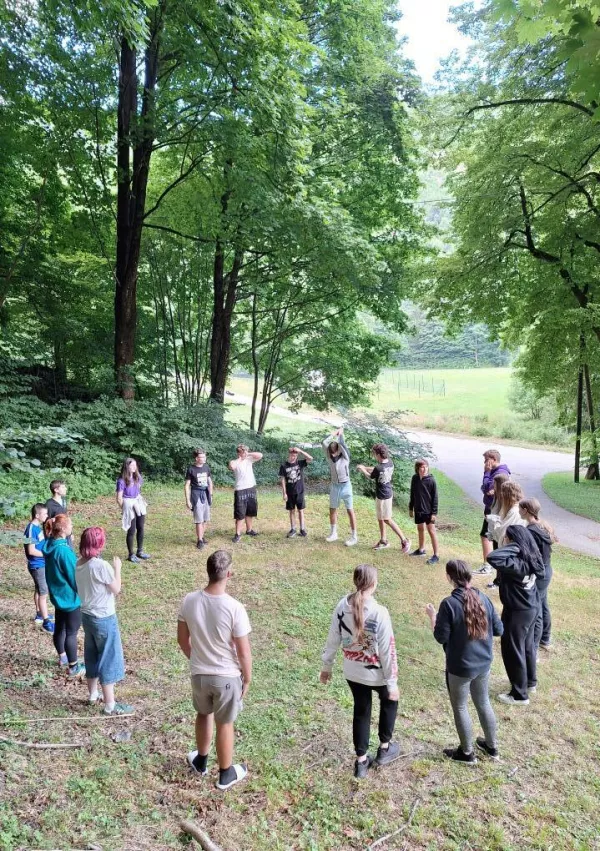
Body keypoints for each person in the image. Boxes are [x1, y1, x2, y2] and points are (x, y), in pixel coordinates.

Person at [177, 550, 252, 791]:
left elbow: (182, 640)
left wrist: (197, 658)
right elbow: (243, 652)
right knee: (225, 723)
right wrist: (247, 677)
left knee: (203, 714)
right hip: (227, 677)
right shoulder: (234, 608)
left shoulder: (189, 600)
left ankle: (201, 760)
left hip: (199, 674)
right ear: (228, 574)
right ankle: (226, 773)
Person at [320, 564, 400, 778]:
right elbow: (387, 650)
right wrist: (391, 683)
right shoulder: (380, 613)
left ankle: (361, 762)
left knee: (362, 711)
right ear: (374, 584)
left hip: (353, 673)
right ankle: (385, 748)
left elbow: (332, 638)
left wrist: (326, 666)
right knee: (389, 702)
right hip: (377, 673)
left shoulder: (341, 606)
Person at [425, 559, 503, 765]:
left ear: (449, 578)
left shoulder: (449, 604)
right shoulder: (483, 598)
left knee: (460, 707)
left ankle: (467, 753)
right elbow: (499, 629)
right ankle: (492, 746)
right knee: (483, 702)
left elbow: (441, 637)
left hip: (460, 667)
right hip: (483, 664)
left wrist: (433, 617)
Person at [76, 527, 133, 715]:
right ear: (98, 544)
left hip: (87, 616)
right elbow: (116, 589)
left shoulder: (79, 564)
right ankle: (110, 705)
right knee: (108, 657)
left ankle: (93, 695)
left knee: (91, 655)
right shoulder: (100, 566)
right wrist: (118, 569)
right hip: (104, 618)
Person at [486, 525, 544, 705]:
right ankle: (530, 682)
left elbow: (492, 556)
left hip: (518, 611)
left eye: (507, 538)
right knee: (526, 647)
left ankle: (519, 694)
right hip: (531, 607)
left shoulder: (517, 562)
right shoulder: (532, 558)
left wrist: (515, 545)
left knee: (513, 650)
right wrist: (519, 546)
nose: (504, 541)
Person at [44, 514, 85, 676]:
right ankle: (74, 666)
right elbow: (74, 576)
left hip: (58, 596)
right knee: (71, 632)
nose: (72, 526)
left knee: (60, 628)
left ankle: (62, 657)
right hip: (70, 599)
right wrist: (83, 592)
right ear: (63, 529)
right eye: (70, 524)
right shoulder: (63, 552)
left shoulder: (50, 544)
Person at [357, 444, 410, 553]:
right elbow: (377, 470)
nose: (374, 456)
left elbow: (370, 476)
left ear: (377, 454)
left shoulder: (379, 467)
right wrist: (365, 467)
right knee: (380, 518)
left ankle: (404, 540)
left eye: (374, 454)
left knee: (387, 519)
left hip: (382, 496)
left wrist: (363, 470)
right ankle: (383, 540)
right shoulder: (389, 463)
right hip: (387, 494)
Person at [519, 498, 557, 651]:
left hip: (540, 573)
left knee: (537, 609)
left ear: (526, 510)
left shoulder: (531, 531)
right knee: (543, 603)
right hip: (546, 571)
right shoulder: (541, 526)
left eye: (520, 509)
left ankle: (534, 646)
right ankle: (545, 638)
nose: (518, 511)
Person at [476, 450, 510, 575]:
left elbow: (486, 488)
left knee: (488, 536)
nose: (484, 463)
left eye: (486, 460)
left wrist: (486, 472)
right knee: (488, 536)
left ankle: (488, 566)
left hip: (495, 510)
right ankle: (490, 565)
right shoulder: (496, 472)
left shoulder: (499, 473)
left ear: (493, 459)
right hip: (490, 508)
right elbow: (485, 488)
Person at [322, 427, 357, 547]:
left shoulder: (345, 457)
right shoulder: (329, 457)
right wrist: (333, 434)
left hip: (346, 486)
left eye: (334, 449)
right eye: (331, 449)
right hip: (334, 486)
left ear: (339, 450)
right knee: (332, 509)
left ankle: (354, 536)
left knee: (350, 511)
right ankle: (333, 533)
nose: (332, 452)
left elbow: (342, 444)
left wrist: (340, 434)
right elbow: (323, 442)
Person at [23, 503, 54, 633]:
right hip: (37, 565)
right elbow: (31, 551)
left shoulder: (37, 527)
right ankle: (46, 622)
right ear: (37, 515)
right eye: (45, 514)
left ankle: (39, 614)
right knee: (43, 593)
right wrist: (46, 554)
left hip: (41, 564)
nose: (46, 516)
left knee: (38, 590)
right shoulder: (31, 529)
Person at [116, 458, 150, 563]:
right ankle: (131, 554)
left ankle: (140, 551)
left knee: (141, 527)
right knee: (131, 530)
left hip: (137, 502)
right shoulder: (121, 481)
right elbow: (119, 498)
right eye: (132, 465)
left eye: (135, 465)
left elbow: (138, 491)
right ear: (127, 466)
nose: (134, 467)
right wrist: (125, 508)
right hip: (128, 503)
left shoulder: (137, 477)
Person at [228, 445, 263, 543]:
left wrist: (248, 454)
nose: (244, 453)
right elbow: (232, 466)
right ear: (238, 453)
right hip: (240, 489)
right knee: (240, 513)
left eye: (245, 451)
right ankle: (237, 534)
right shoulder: (235, 462)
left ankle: (249, 530)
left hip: (251, 488)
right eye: (242, 452)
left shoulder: (249, 459)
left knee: (250, 511)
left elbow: (260, 455)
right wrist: (240, 458)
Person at [408, 459, 439, 564]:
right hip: (418, 509)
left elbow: (435, 498)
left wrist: (434, 513)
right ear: (417, 468)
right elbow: (412, 493)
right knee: (420, 528)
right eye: (422, 467)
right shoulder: (415, 478)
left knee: (431, 531)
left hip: (429, 511)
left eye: (426, 466)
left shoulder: (431, 480)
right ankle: (421, 550)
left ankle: (436, 555)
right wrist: (410, 507)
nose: (424, 469)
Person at [279, 446, 314, 538]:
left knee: (300, 510)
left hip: (300, 491)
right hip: (290, 492)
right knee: (291, 511)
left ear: (297, 455)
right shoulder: (284, 465)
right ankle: (293, 529)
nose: (293, 457)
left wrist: (301, 451)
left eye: (295, 455)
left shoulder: (300, 463)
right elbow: (282, 480)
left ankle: (302, 529)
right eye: (292, 455)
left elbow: (310, 458)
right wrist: (284, 493)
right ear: (289, 454)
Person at [185, 448, 213, 550]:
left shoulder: (206, 467)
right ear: (196, 458)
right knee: (199, 519)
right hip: (196, 494)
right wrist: (188, 500)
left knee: (205, 518)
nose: (204, 458)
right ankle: (200, 540)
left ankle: (202, 536)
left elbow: (210, 482)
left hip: (206, 494)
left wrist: (211, 495)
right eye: (202, 457)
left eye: (205, 456)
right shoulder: (191, 469)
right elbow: (187, 485)